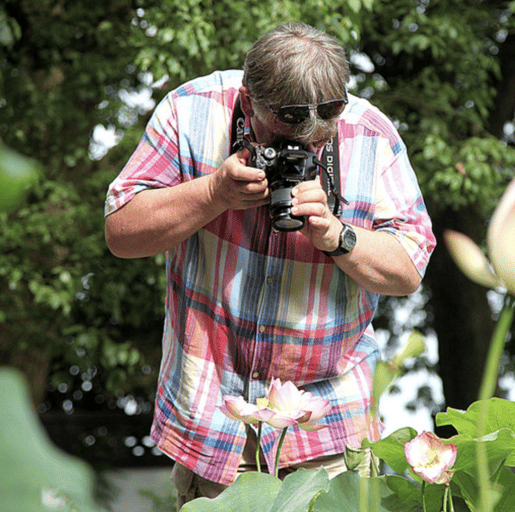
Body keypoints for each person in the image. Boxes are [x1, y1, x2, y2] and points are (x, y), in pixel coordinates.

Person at [104, 21, 435, 508]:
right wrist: (213, 193)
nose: (301, 149)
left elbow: (408, 270)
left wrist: (336, 234)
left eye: (319, 138)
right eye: (285, 131)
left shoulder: (371, 136)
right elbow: (121, 233)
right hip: (215, 418)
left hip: (331, 423)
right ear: (247, 98)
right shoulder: (191, 111)